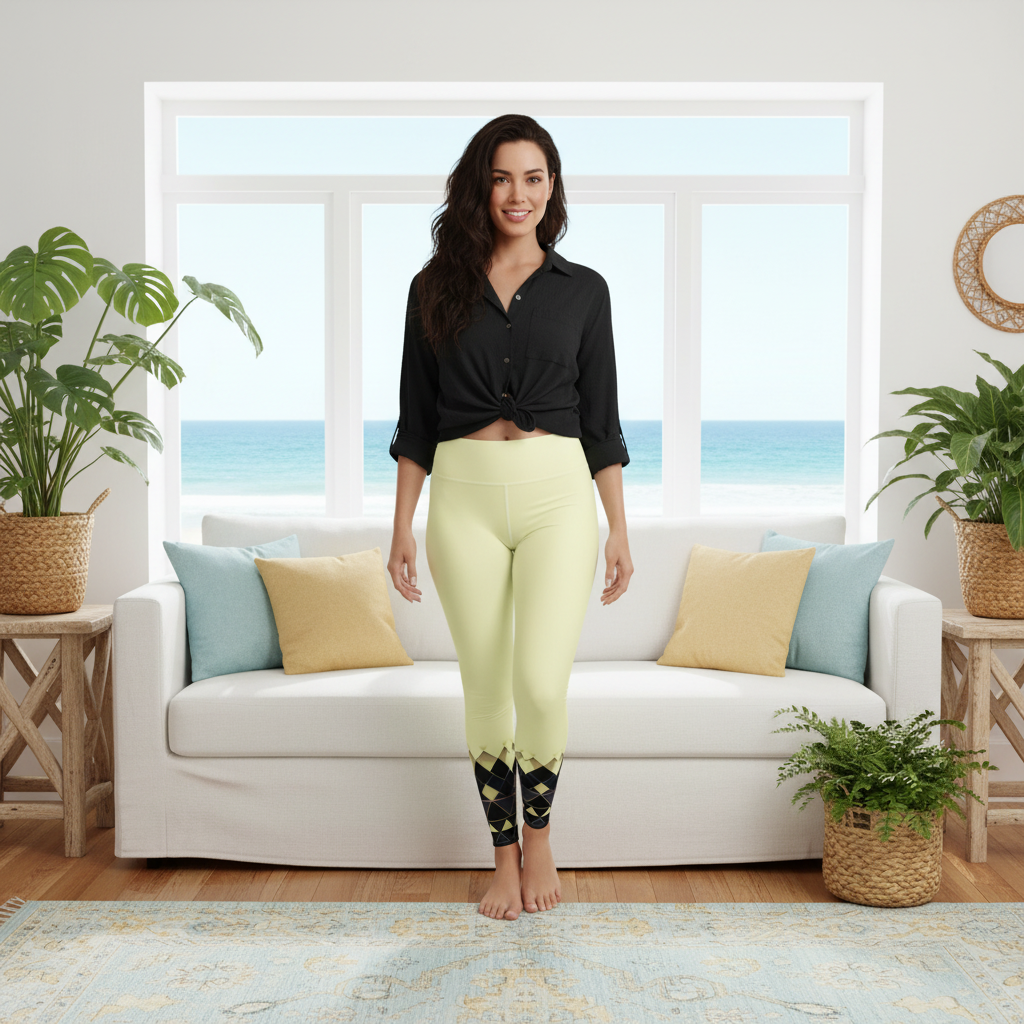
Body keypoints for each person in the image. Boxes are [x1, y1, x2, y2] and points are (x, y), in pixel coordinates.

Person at [387, 113, 633, 921]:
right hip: (460, 498)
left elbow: (602, 422)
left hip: (558, 495)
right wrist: (401, 529)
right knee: (487, 685)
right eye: (501, 178)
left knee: (539, 681)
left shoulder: (584, 291)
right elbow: (415, 422)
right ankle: (501, 856)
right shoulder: (433, 288)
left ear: (552, 186)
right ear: (479, 186)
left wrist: (618, 530)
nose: (517, 194)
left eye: (533, 177)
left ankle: (542, 839)